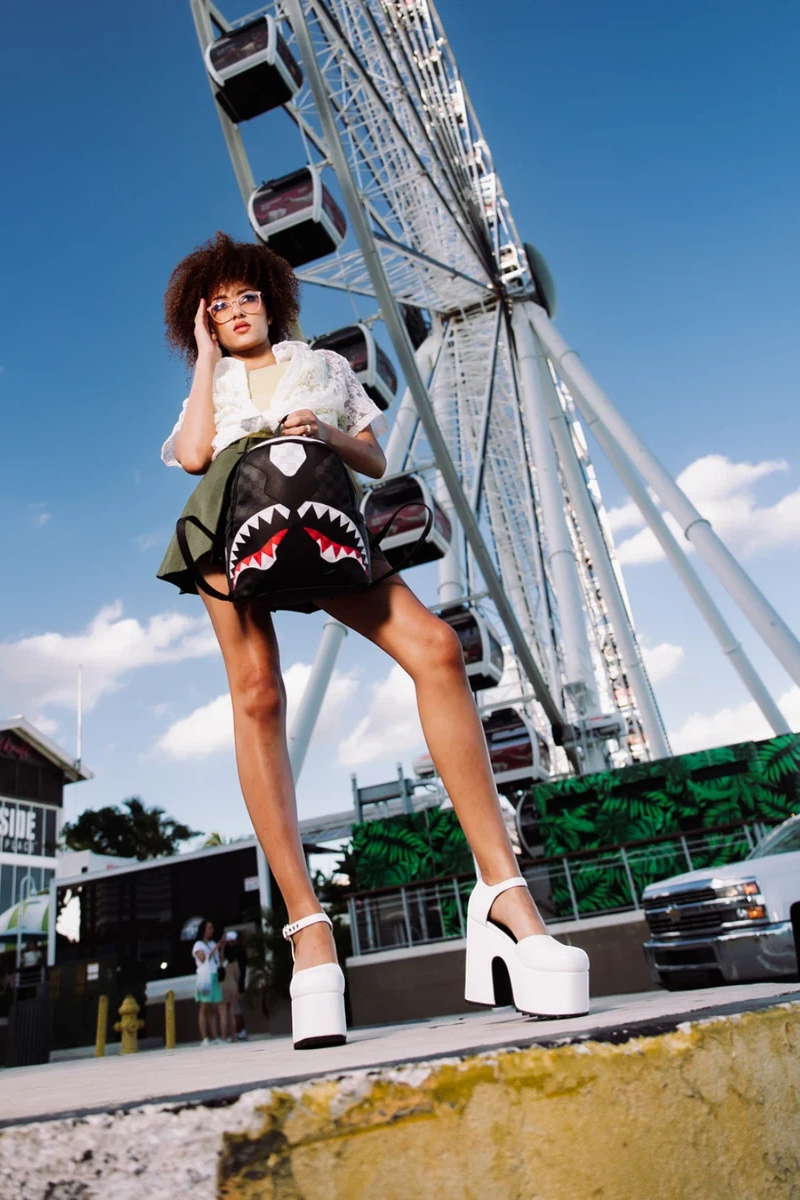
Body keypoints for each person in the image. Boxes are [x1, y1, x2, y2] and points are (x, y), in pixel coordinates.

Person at [158, 233, 589, 1049]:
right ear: (201, 322)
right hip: (226, 524)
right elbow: (190, 458)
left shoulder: (323, 366)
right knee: (257, 695)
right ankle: (307, 930)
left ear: (272, 300)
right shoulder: (208, 380)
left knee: (436, 647)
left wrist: (321, 428)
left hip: (315, 510)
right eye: (217, 307)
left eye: (246, 296)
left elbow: (375, 455)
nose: (236, 311)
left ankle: (503, 893)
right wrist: (204, 362)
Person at [192, 920, 225, 1046]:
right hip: (205, 978)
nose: (212, 930)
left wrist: (221, 947)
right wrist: (216, 947)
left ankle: (215, 1037)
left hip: (214, 975)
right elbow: (203, 959)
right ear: (203, 930)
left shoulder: (211, 943)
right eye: (209, 928)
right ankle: (204, 1038)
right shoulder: (198, 945)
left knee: (213, 1008)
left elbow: (219, 959)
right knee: (204, 1007)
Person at [219, 934, 242, 1043]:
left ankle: (224, 1037)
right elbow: (238, 975)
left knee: (223, 1013)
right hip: (233, 986)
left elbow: (220, 955)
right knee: (232, 1012)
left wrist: (223, 944)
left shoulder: (222, 961)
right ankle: (233, 1037)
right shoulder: (235, 962)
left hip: (223, 986)